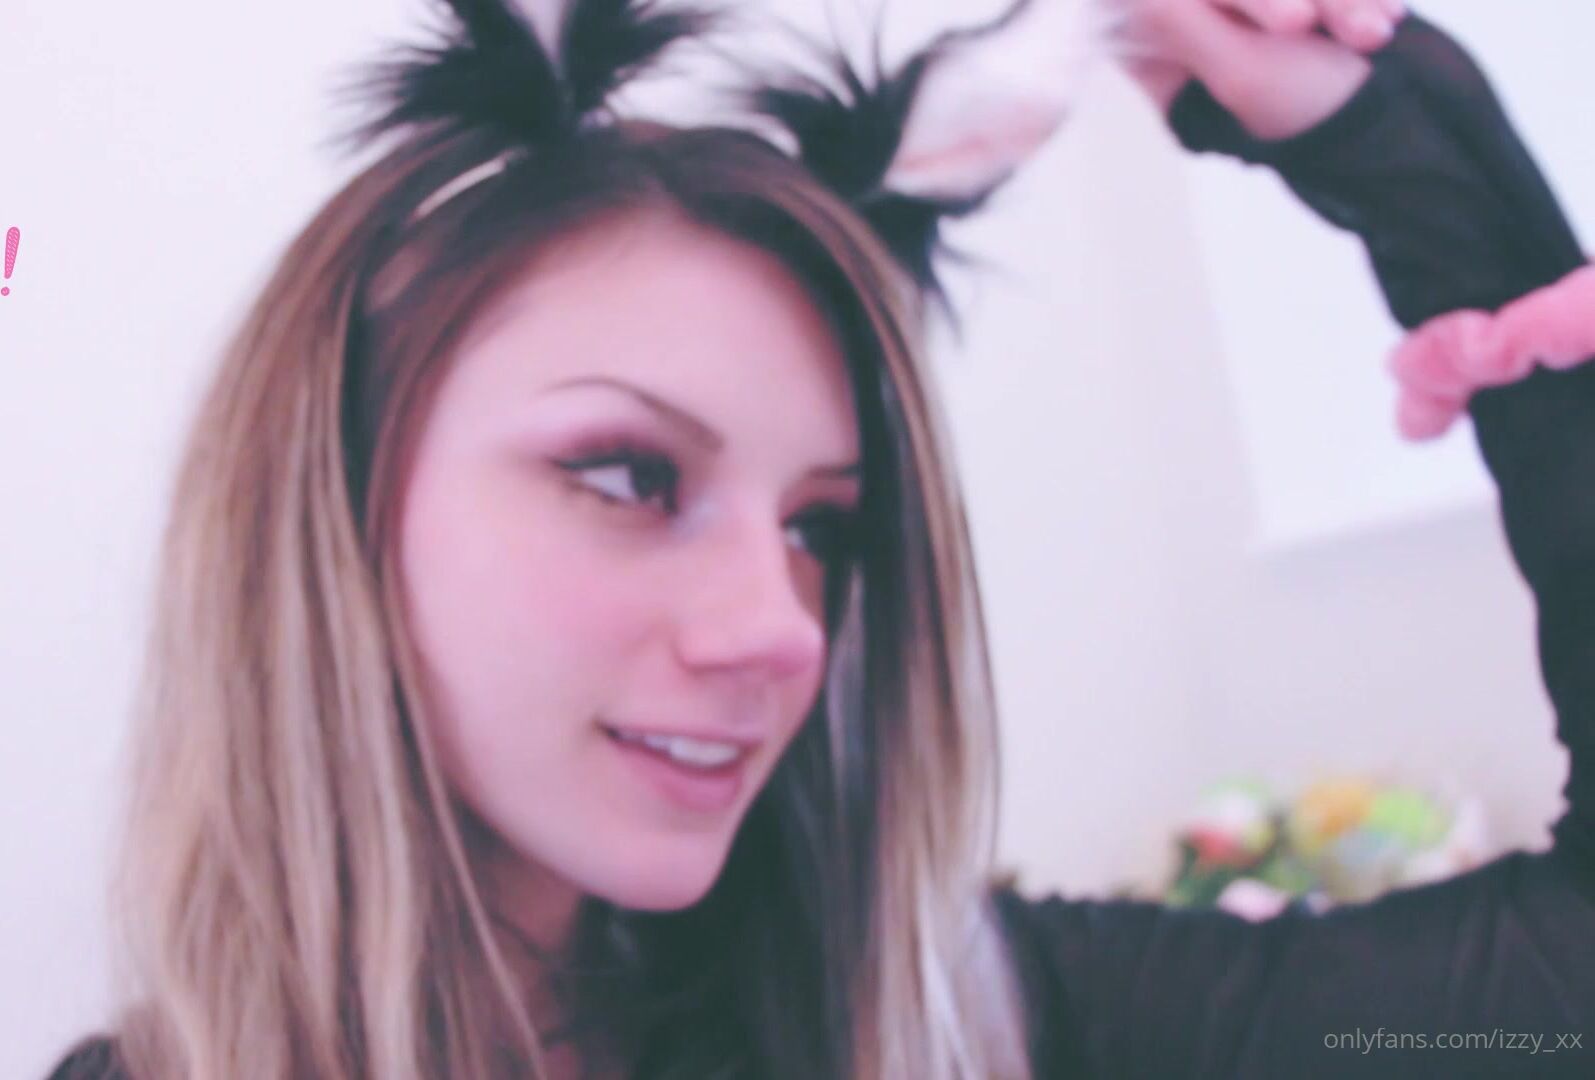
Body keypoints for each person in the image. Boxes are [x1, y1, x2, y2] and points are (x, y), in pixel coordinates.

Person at [43, 0, 1595, 1077]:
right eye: (630, 475)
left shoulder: (969, 1025)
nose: (784, 628)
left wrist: (1419, 154)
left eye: (823, 529)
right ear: (332, 499)